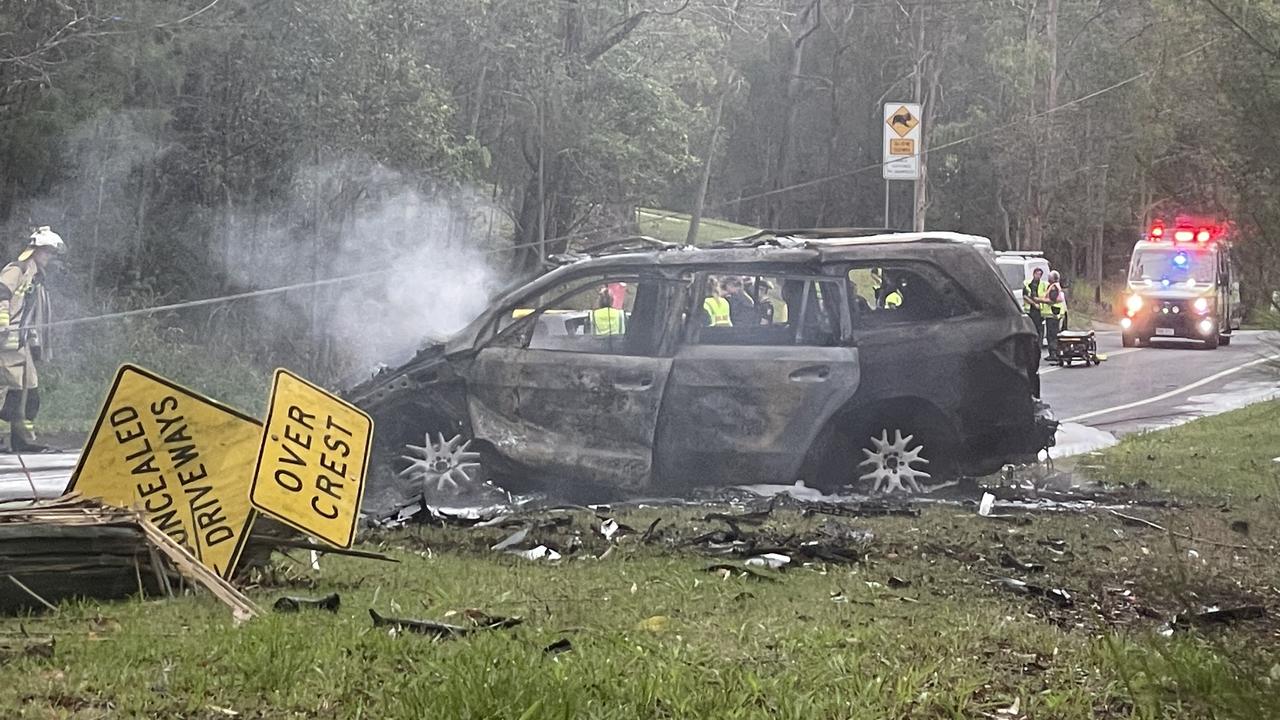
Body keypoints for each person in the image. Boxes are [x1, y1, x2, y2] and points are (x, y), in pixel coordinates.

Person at [0, 226, 63, 452]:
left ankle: (23, 440)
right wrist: (3, 325)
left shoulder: (36, 279)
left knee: (30, 393)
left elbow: (31, 315)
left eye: (50, 253)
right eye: (46, 252)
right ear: (34, 250)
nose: (48, 257)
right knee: (8, 393)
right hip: (6, 343)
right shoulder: (16, 270)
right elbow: (2, 294)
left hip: (21, 344)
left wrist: (35, 343)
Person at [1042, 270, 1067, 360]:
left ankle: (1054, 354)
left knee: (1052, 335)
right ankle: (1054, 353)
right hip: (1054, 314)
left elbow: (1052, 300)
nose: (1048, 278)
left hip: (1053, 314)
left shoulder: (1054, 287)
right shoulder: (1055, 286)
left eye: (1050, 277)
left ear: (1053, 278)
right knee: (1053, 334)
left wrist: (1040, 300)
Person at [1023, 267, 1047, 347]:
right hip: (1030, 310)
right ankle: (1030, 345)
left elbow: (1046, 296)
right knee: (1030, 328)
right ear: (1033, 274)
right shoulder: (1028, 284)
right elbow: (1025, 296)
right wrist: (1034, 304)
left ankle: (1038, 345)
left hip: (1040, 311)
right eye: (1037, 274)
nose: (1038, 276)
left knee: (1039, 329)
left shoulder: (1043, 284)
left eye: (1040, 275)